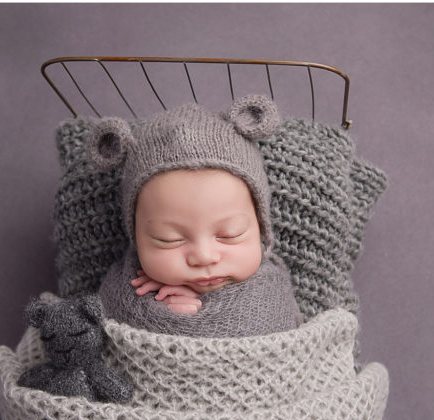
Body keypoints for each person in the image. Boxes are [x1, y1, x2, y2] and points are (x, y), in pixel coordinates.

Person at [93, 96, 302, 338]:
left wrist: (193, 319)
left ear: (261, 227)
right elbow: (101, 326)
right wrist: (160, 313)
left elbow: (277, 329)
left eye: (230, 235)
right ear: (136, 237)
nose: (204, 257)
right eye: (169, 239)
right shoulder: (123, 288)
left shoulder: (271, 290)